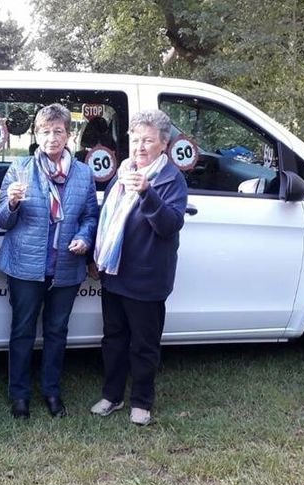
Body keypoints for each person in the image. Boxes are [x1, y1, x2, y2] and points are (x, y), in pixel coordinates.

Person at [0, 103, 99, 419]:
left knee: (56, 331)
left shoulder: (83, 173)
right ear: (36, 135)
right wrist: (11, 203)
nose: (52, 137)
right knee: (22, 331)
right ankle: (19, 395)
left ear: (68, 135)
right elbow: (2, 220)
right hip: (25, 267)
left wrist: (84, 237)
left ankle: (52, 392)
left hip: (66, 266)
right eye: (45, 131)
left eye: (58, 131)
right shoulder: (20, 168)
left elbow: (90, 216)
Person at [90, 110, 188, 426]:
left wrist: (147, 192)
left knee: (144, 346)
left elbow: (169, 225)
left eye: (148, 140)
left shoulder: (171, 179)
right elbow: (106, 221)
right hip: (114, 272)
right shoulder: (122, 173)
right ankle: (112, 396)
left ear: (164, 144)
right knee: (113, 339)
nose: (140, 147)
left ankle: (142, 402)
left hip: (146, 278)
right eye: (135, 140)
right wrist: (94, 256)